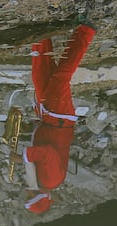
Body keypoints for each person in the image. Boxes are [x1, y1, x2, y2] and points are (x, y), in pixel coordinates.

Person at [20, 23, 96, 214]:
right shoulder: (51, 180)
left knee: (39, 74)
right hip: (59, 118)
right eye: (29, 196)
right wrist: (23, 156)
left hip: (48, 117)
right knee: (61, 77)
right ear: (38, 196)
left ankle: (40, 33)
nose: (26, 192)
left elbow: (43, 145)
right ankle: (86, 32)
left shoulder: (39, 179)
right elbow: (49, 153)